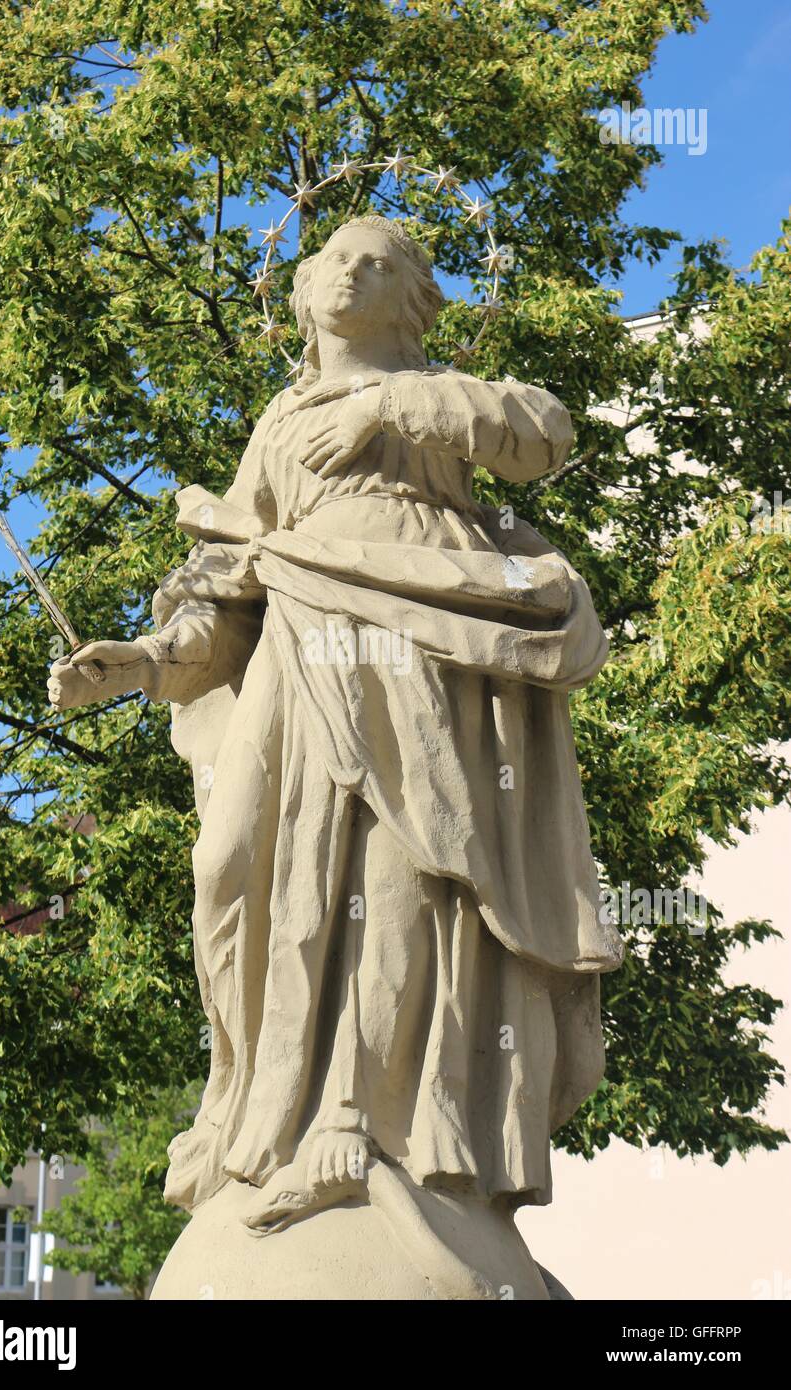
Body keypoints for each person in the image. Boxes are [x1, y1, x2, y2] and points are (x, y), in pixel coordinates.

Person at [48, 214, 623, 1236]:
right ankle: (254, 1104)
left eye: (379, 263)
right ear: (304, 287)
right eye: (334, 259)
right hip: (295, 643)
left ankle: (355, 1118)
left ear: (407, 297)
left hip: (412, 634)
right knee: (233, 863)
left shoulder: (433, 397)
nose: (350, 272)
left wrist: (391, 403)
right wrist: (143, 662)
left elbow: (543, 432)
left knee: (396, 864)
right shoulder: (276, 422)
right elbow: (231, 585)